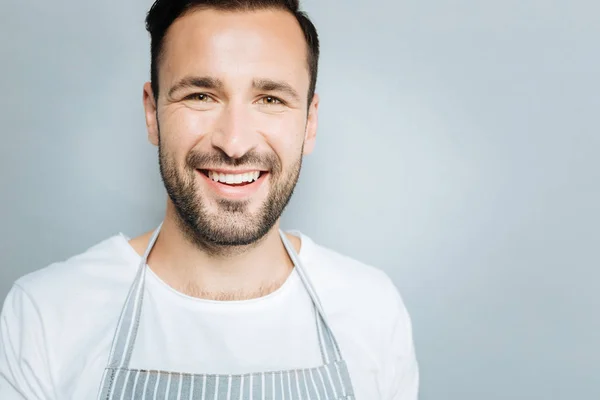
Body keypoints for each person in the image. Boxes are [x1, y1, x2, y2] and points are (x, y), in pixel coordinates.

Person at [0, 0, 419, 399]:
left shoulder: (373, 310)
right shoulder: (45, 315)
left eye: (270, 99)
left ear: (309, 122)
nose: (234, 143)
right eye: (201, 95)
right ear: (152, 113)